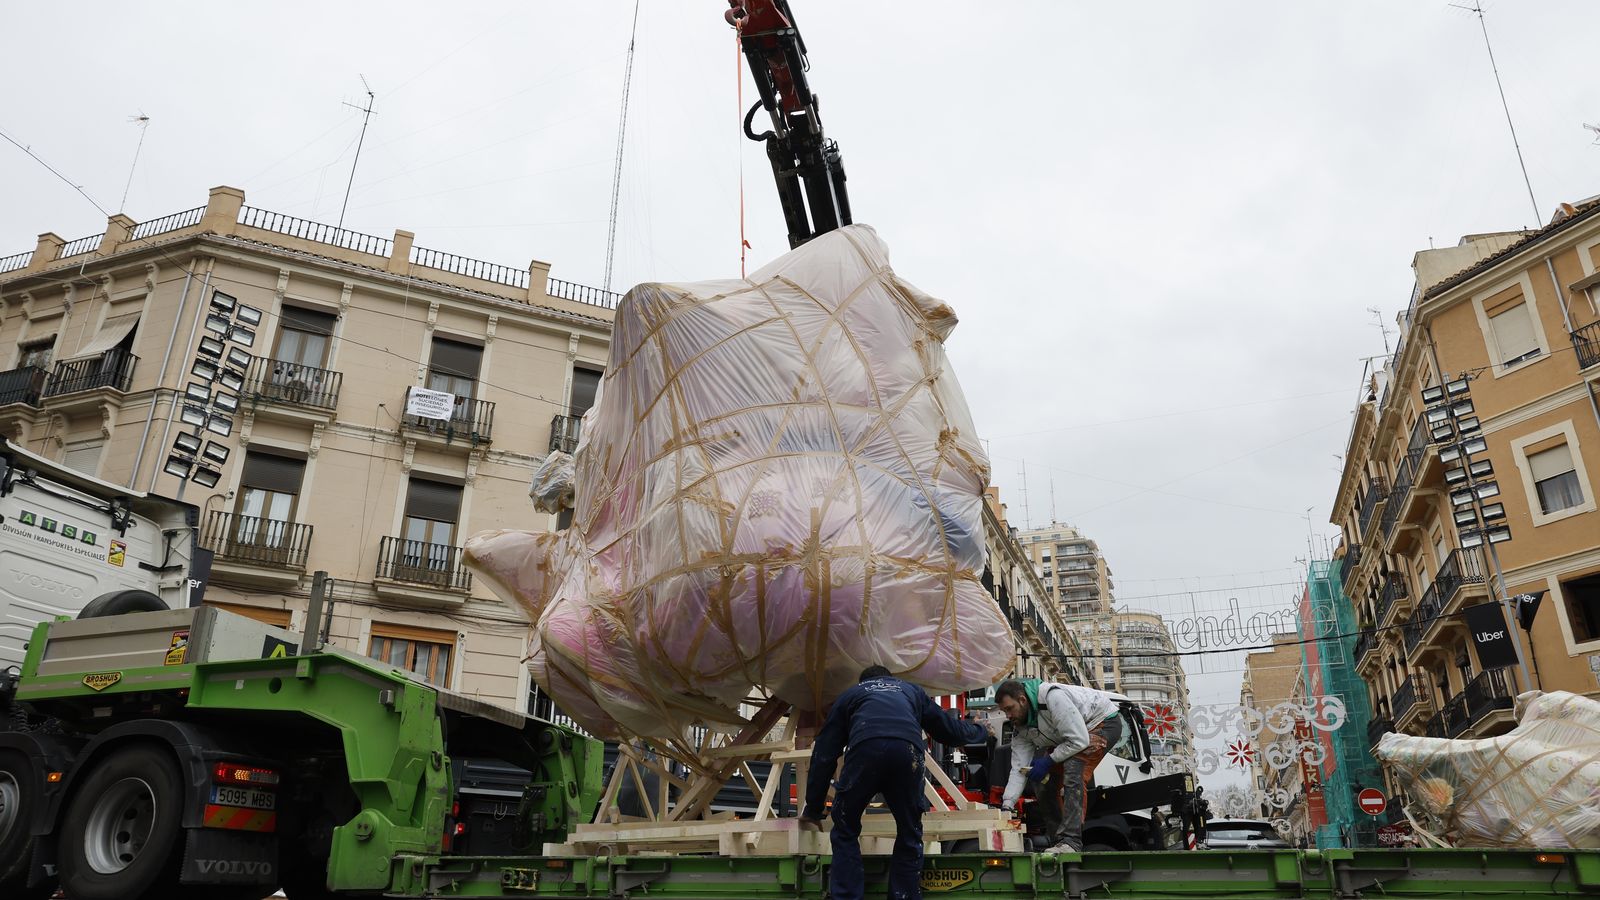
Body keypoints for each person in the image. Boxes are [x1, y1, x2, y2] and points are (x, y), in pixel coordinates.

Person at [798, 665, 988, 900]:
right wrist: (980, 730)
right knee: (909, 831)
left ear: (863, 681)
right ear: (890, 678)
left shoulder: (851, 695)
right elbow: (950, 731)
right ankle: (904, 896)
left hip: (865, 750)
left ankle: (846, 896)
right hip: (906, 752)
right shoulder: (911, 691)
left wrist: (814, 808)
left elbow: (825, 753)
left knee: (846, 828)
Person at [993, 678, 1122, 853]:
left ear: (1022, 700)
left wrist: (1048, 761)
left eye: (1009, 709)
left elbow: (1079, 740)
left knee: (1074, 767)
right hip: (1072, 736)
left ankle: (1071, 842)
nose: (1008, 716)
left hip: (1101, 722)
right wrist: (1007, 804)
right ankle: (1058, 841)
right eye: (1004, 711)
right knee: (1043, 781)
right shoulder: (1021, 728)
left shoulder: (1053, 698)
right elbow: (1018, 768)